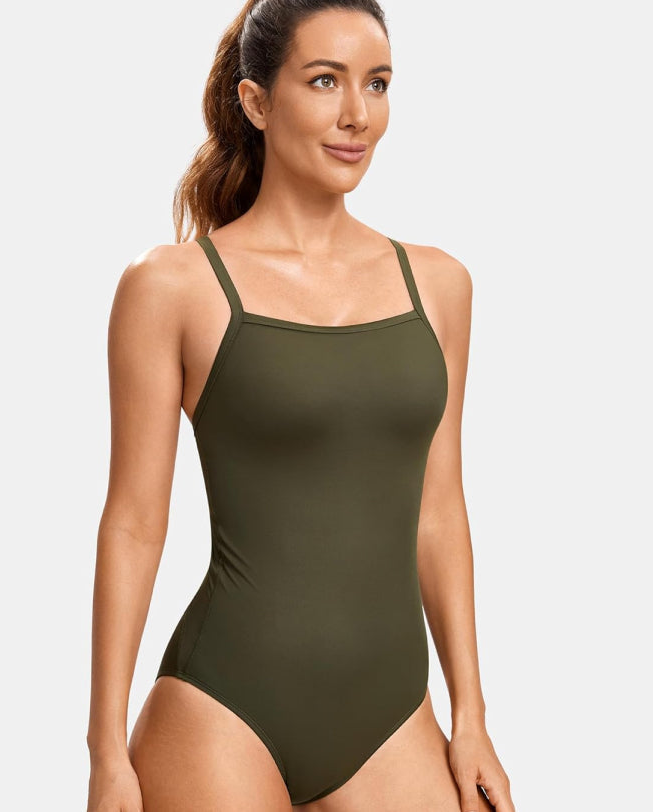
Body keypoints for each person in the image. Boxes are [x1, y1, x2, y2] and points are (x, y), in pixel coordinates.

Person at [86, 1, 517, 810]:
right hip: (223, 710)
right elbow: (135, 523)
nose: (358, 115)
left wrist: (473, 720)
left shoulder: (440, 286)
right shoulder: (171, 287)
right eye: (325, 81)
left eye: (377, 83)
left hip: (392, 715)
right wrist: (105, 750)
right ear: (256, 102)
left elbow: (439, 509)